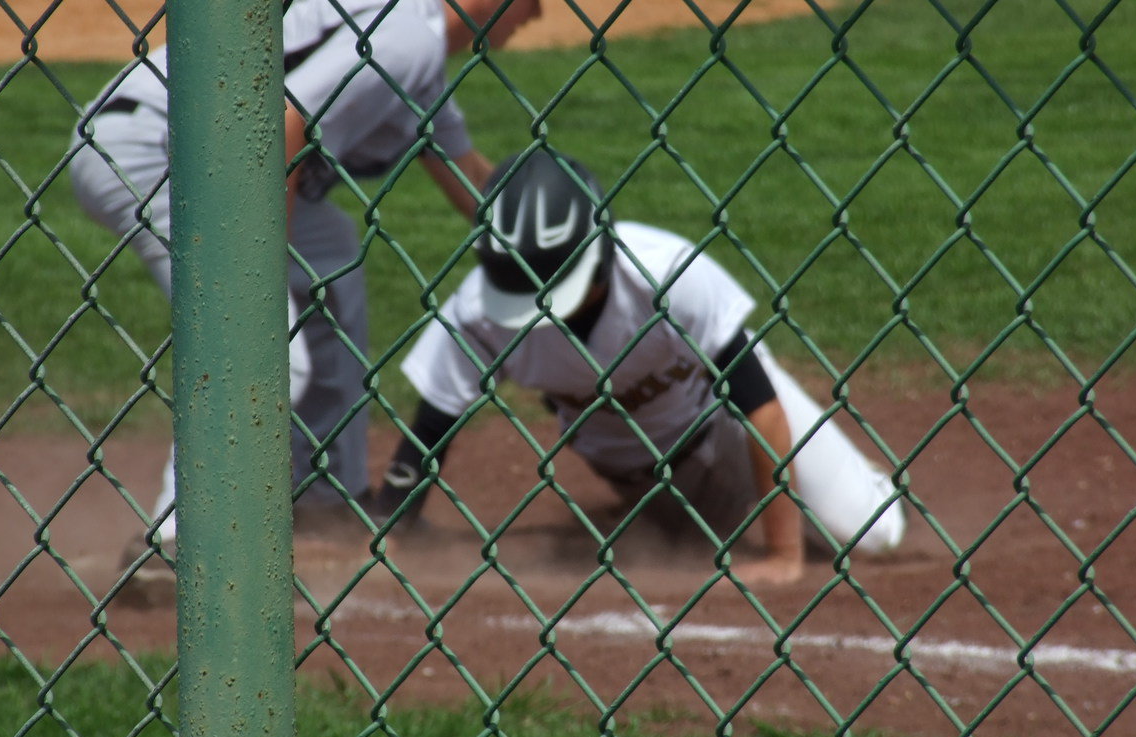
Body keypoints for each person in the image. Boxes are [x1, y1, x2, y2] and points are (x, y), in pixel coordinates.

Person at [68, 0, 542, 591]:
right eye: (533, 1)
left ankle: (325, 498)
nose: (537, 15)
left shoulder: (417, 56)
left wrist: (562, 241)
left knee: (330, 256)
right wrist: (256, 268)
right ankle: (174, 540)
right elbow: (283, 123)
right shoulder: (405, 36)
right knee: (261, 338)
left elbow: (468, 176)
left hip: (188, 144)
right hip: (157, 148)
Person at [372, 149, 906, 585]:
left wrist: (783, 555)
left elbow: (760, 409)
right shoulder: (477, 312)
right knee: (683, 549)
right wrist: (389, 535)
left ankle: (861, 482)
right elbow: (430, 429)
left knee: (870, 533)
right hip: (638, 468)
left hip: (723, 418)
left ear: (599, 255)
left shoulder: (667, 275)